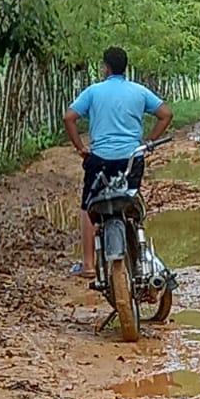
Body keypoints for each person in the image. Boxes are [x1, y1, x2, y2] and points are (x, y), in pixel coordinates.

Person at [63, 47, 173, 279]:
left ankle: (88, 264)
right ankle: (137, 249)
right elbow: (166, 114)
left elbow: (69, 117)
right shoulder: (139, 91)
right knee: (131, 199)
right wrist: (149, 141)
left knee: (88, 206)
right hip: (131, 159)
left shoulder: (93, 92)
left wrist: (81, 148)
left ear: (106, 67)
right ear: (125, 67)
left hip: (100, 160)